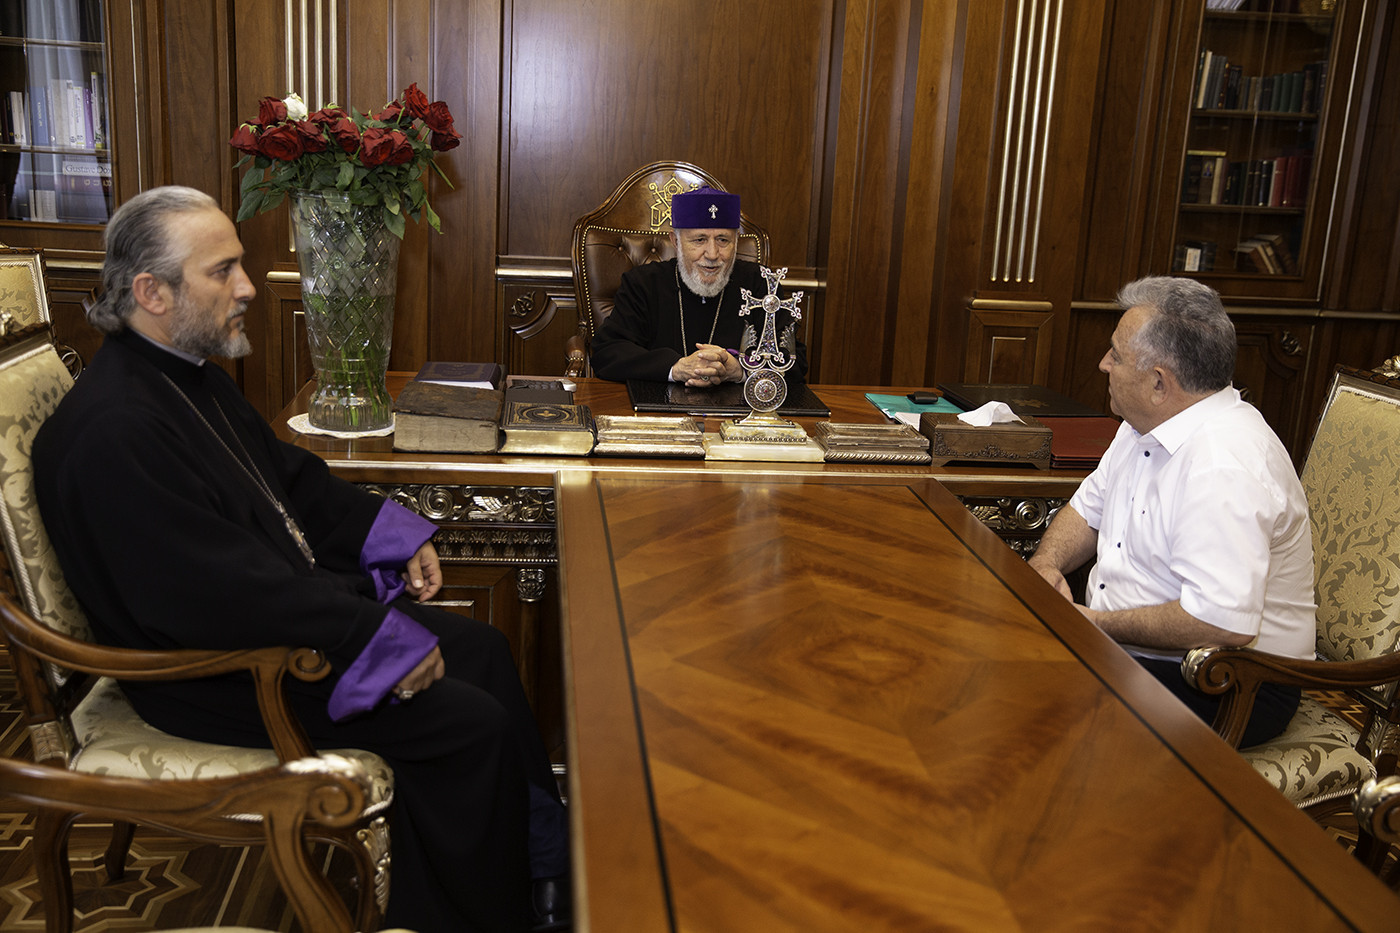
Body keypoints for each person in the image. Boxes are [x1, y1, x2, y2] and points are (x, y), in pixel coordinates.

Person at [32, 186, 568, 933]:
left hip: (272, 620)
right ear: (151, 292)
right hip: (212, 670)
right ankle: (480, 917)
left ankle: (544, 865)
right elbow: (218, 593)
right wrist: (373, 635)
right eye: (223, 270)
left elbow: (289, 480)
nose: (249, 287)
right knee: (466, 726)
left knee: (483, 649)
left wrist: (395, 535)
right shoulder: (114, 433)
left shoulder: (184, 374)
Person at [1026, 275, 1315, 747]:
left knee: (1031, 698)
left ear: (1159, 383)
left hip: (1230, 683)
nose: (1103, 364)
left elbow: (1219, 621)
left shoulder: (1225, 462)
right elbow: (1086, 511)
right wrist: (1046, 564)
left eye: (1116, 355)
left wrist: (1093, 624)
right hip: (1138, 652)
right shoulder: (1142, 424)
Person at [589, 185, 809, 385]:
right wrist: (675, 368)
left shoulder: (760, 284)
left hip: (739, 411)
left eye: (723, 240)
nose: (712, 254)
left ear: (736, 242)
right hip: (659, 409)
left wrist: (741, 369)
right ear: (676, 241)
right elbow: (607, 351)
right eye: (699, 240)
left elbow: (795, 360)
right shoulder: (643, 283)